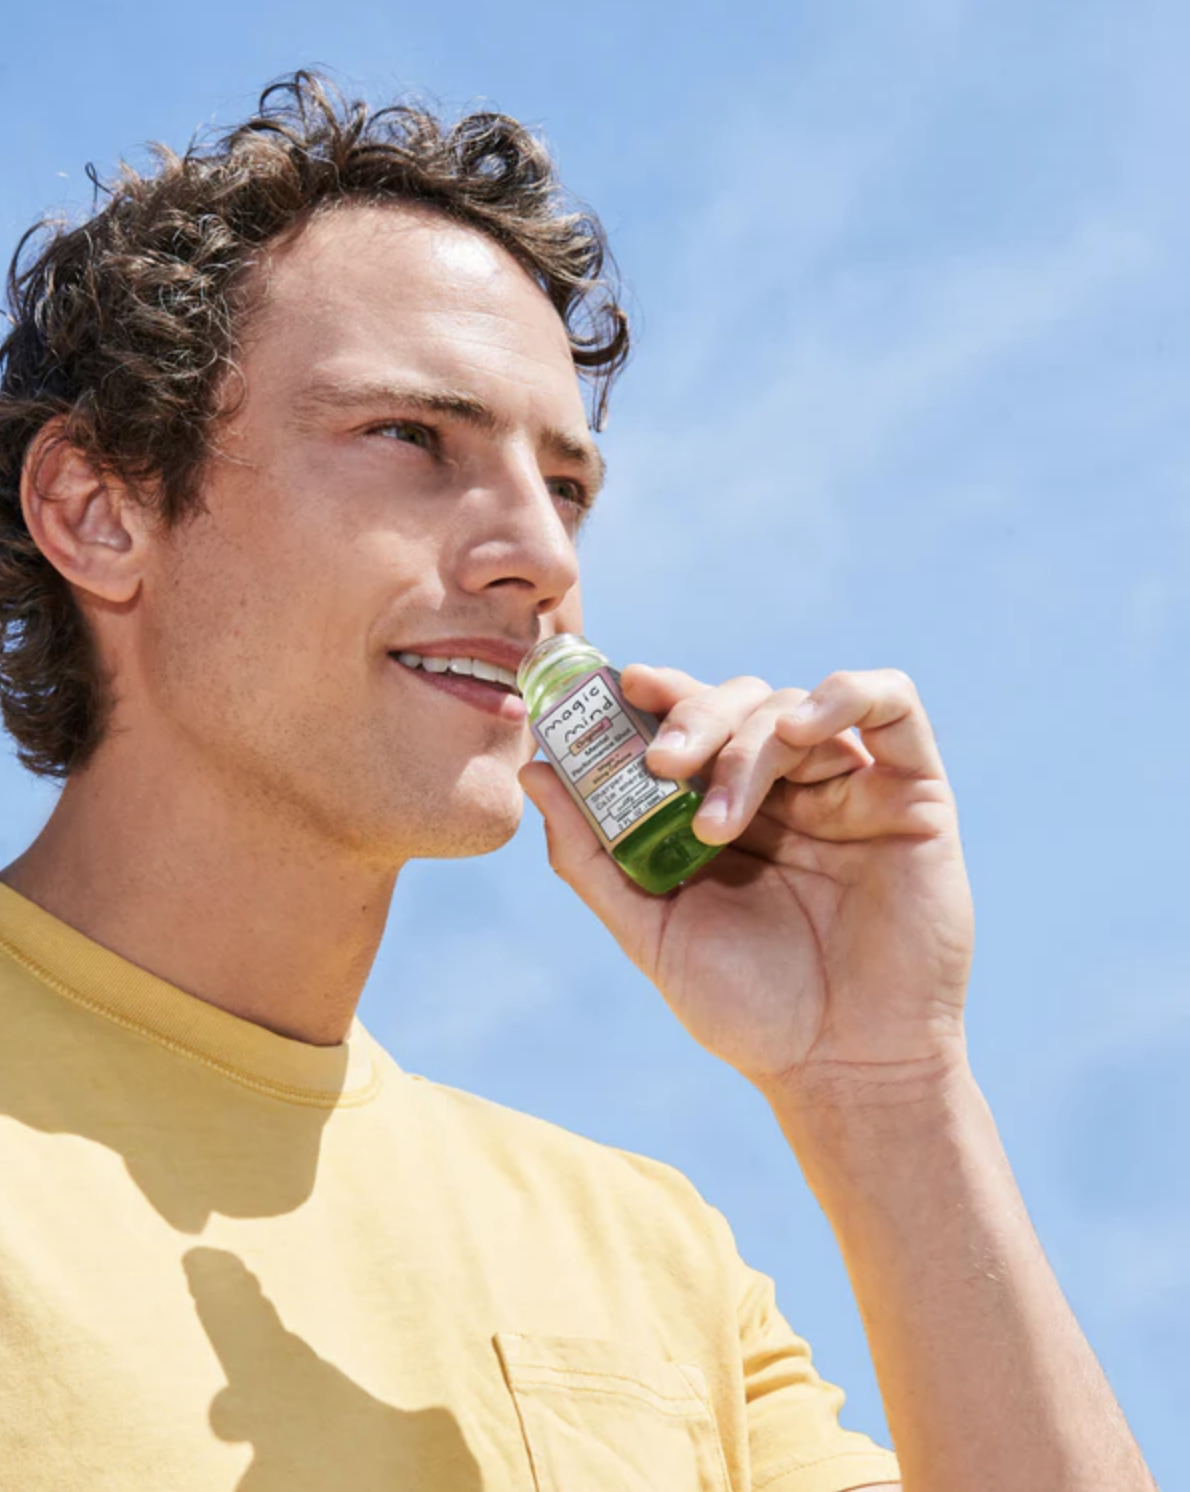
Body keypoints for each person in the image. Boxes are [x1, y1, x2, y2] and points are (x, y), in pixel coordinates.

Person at [0, 70, 1156, 1492]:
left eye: (565, 488)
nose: (543, 558)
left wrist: (884, 1087)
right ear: (98, 511)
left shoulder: (654, 1264)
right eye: (409, 438)